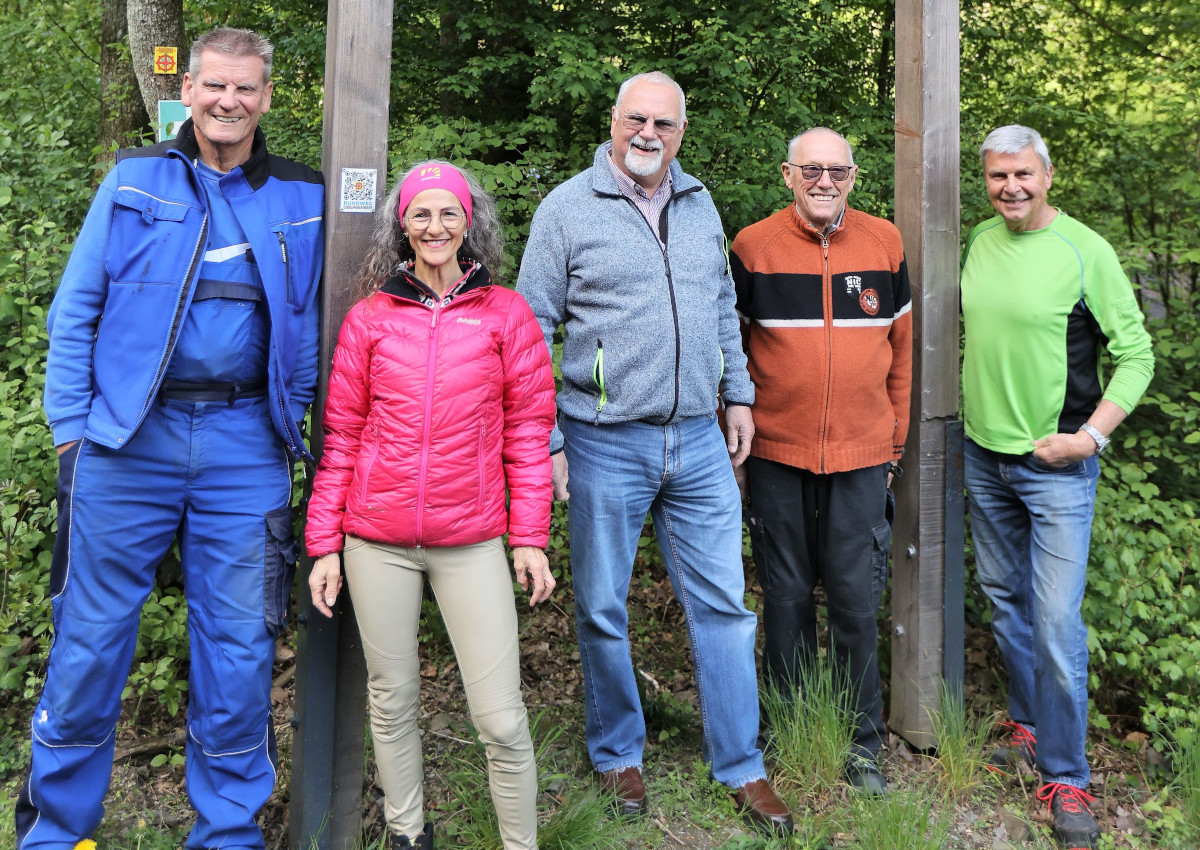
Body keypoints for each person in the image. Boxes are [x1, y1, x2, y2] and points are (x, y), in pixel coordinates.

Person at [16, 27, 324, 850]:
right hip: (125, 445)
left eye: (246, 89)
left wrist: (289, 421)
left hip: (244, 449)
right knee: (87, 644)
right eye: (215, 86)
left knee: (239, 650)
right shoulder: (133, 178)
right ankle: (57, 832)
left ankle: (225, 833)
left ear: (267, 96)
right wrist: (71, 436)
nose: (230, 102)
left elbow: (320, 325)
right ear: (186, 89)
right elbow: (76, 309)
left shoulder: (303, 194)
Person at [516, 71, 793, 836]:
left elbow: (720, 309)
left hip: (701, 440)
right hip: (605, 441)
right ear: (612, 122)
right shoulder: (567, 209)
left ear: (681, 131)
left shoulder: (701, 206)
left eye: (663, 124)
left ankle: (741, 765)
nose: (648, 134)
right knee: (604, 608)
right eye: (635, 119)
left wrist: (738, 393)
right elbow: (531, 330)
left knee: (726, 609)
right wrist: (548, 441)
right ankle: (616, 754)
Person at [305, 160, 556, 850]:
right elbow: (343, 437)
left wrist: (529, 535)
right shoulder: (369, 320)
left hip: (471, 540)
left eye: (448, 213)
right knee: (392, 702)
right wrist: (325, 545)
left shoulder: (507, 314)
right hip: (376, 538)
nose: (435, 226)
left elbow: (529, 432)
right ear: (402, 226)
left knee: (500, 718)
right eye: (421, 214)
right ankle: (407, 834)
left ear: (468, 222)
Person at [961, 125, 1154, 850]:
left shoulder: (1085, 251)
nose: (1009, 188)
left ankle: (1067, 777)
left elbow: (1136, 354)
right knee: (1007, 606)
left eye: (1022, 175)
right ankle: (1030, 726)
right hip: (983, 455)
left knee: (1055, 622)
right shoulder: (980, 241)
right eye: (996, 176)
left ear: (1048, 175)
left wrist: (1090, 438)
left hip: (1058, 468)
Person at [730, 127, 912, 795]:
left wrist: (892, 444)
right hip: (777, 451)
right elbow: (735, 351)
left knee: (857, 602)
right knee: (784, 599)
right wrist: (741, 443)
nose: (824, 181)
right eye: (811, 169)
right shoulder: (753, 247)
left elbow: (903, 350)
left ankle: (862, 746)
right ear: (787, 175)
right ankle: (788, 726)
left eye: (837, 170)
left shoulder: (884, 242)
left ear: (854, 177)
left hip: (864, 454)